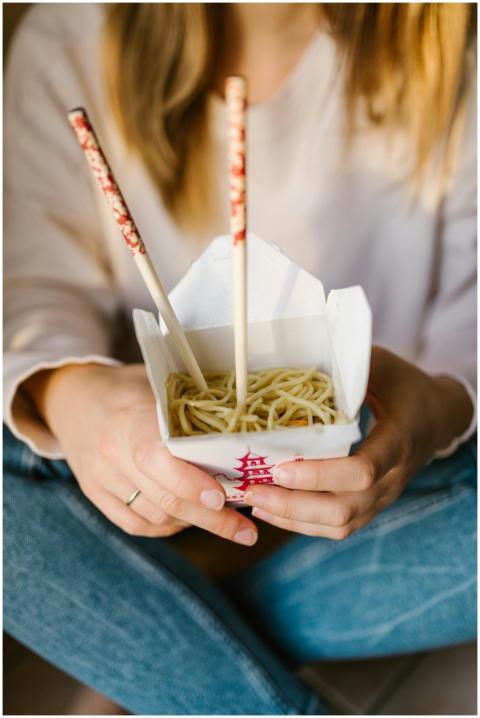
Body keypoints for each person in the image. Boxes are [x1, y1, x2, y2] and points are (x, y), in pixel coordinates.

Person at [4, 3, 476, 714]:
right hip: (135, 497)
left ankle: (140, 632)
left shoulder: (458, 48)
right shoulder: (74, 32)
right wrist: (76, 400)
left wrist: (436, 409)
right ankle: (156, 638)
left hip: (392, 499)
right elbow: (29, 287)